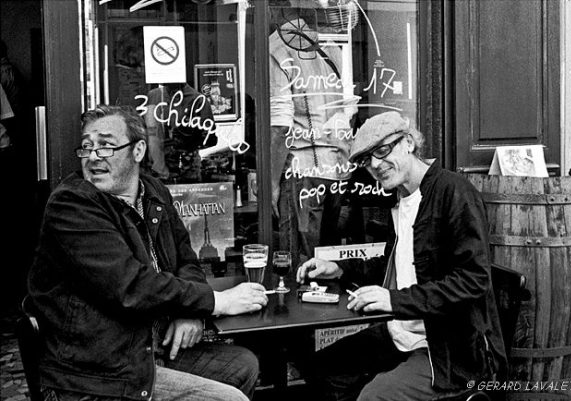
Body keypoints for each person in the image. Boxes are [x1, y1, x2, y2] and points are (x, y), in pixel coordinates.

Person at [27, 105, 268, 401]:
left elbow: (187, 261)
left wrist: (190, 311)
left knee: (242, 366)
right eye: (87, 146)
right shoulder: (71, 205)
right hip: (97, 373)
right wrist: (216, 302)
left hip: (150, 349)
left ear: (138, 150)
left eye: (105, 145)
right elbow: (130, 287)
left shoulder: (154, 191)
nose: (92, 156)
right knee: (229, 399)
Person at [296, 111, 507, 401]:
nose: (376, 165)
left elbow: (473, 281)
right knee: (321, 368)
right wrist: (339, 268)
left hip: (449, 350)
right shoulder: (400, 198)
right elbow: (398, 264)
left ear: (408, 142)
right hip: (402, 334)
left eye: (383, 151)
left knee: (374, 397)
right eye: (367, 160)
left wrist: (393, 300)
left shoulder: (454, 193)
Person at [270, 0, 357, 267]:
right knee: (328, 260)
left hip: (303, 171)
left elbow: (280, 125)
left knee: (301, 262)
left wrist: (271, 182)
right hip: (339, 169)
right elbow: (349, 109)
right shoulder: (331, 43)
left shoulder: (277, 47)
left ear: (275, 9)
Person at [144, 82, 217, 182]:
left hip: (186, 167)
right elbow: (150, 132)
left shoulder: (197, 99)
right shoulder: (155, 96)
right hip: (160, 166)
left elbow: (210, 138)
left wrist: (189, 141)